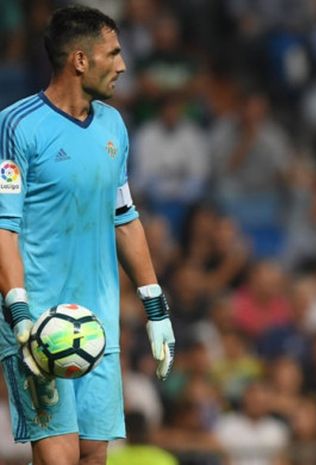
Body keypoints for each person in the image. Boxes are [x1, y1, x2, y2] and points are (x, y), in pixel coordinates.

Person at [0, 5, 175, 465]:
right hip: (39, 322)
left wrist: (155, 307)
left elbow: (124, 216)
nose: (122, 65)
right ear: (80, 60)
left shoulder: (113, 126)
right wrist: (18, 308)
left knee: (93, 457)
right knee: (59, 459)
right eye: (113, 54)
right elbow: (3, 225)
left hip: (97, 324)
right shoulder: (17, 126)